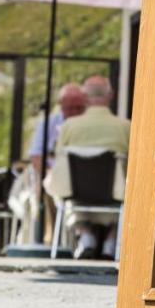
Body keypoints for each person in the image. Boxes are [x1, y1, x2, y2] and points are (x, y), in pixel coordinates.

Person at [52, 75, 131, 259]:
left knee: (56, 182)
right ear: (110, 96)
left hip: (77, 196)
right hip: (114, 196)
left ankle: (85, 233)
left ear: (85, 98)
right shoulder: (125, 127)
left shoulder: (69, 126)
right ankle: (111, 240)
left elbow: (59, 162)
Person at [28, 83, 86, 179]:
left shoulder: (89, 124)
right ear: (61, 104)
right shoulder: (48, 123)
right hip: (52, 177)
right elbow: (36, 154)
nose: (75, 112)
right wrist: (49, 177)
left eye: (79, 108)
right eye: (70, 108)